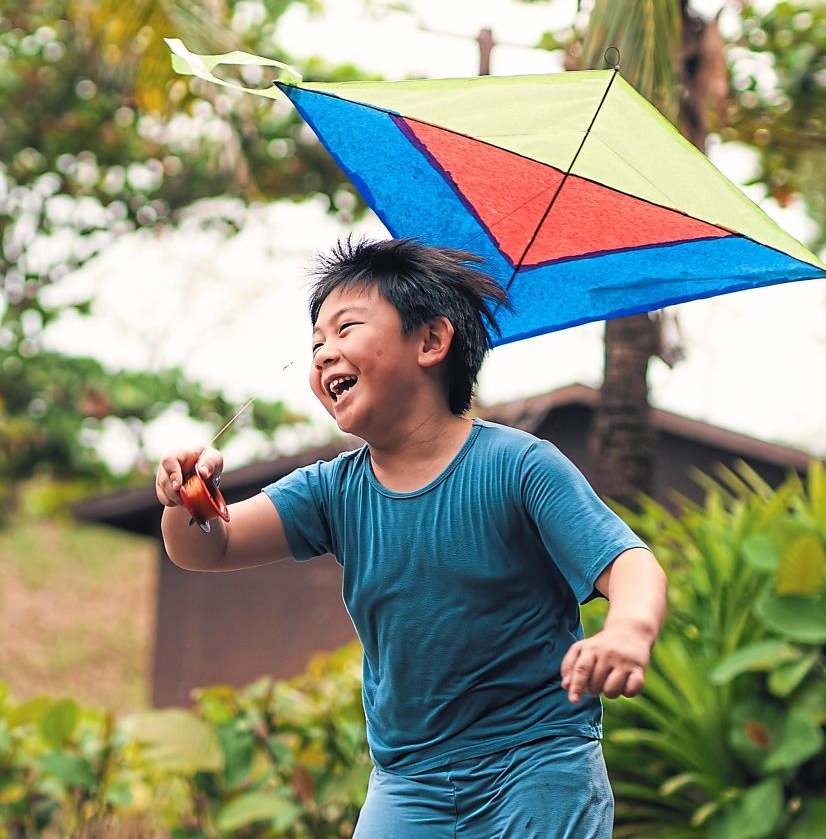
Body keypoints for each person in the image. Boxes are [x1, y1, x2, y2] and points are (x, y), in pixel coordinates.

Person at [156, 237, 668, 838]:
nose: (323, 354)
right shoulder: (331, 490)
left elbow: (630, 563)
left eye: (346, 329)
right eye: (316, 342)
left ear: (431, 341)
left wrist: (628, 632)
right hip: (408, 783)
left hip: (538, 762)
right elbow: (208, 547)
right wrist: (184, 498)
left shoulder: (520, 465)